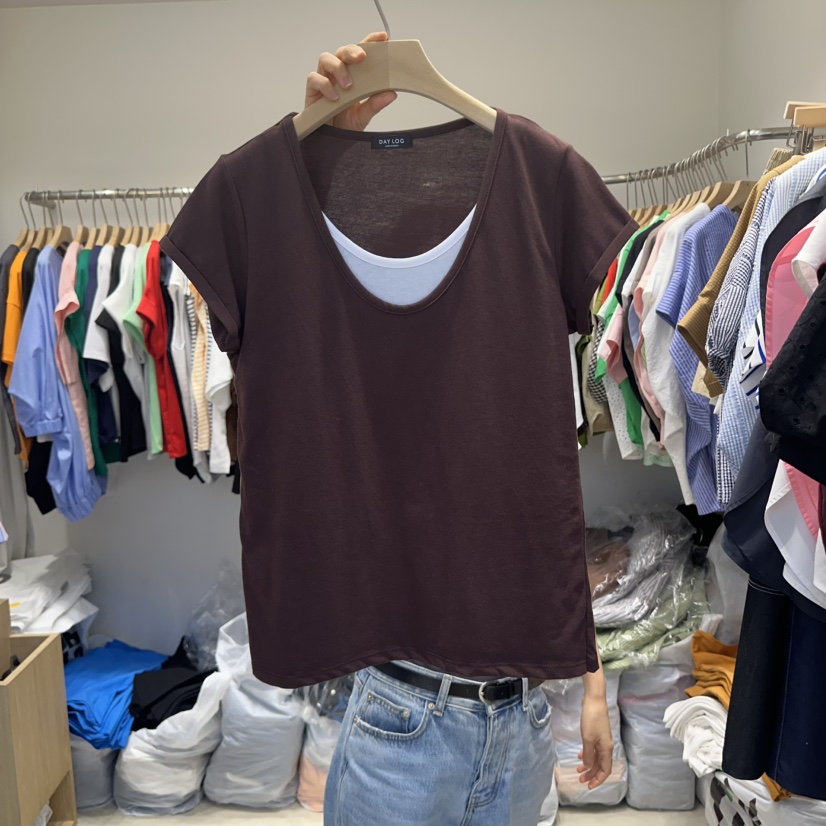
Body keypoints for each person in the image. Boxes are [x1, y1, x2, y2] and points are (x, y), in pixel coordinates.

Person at [303, 32, 616, 825]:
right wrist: (310, 149)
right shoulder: (358, 368)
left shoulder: (524, 344)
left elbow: (549, 523)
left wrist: (592, 685)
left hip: (521, 721)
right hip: (402, 718)